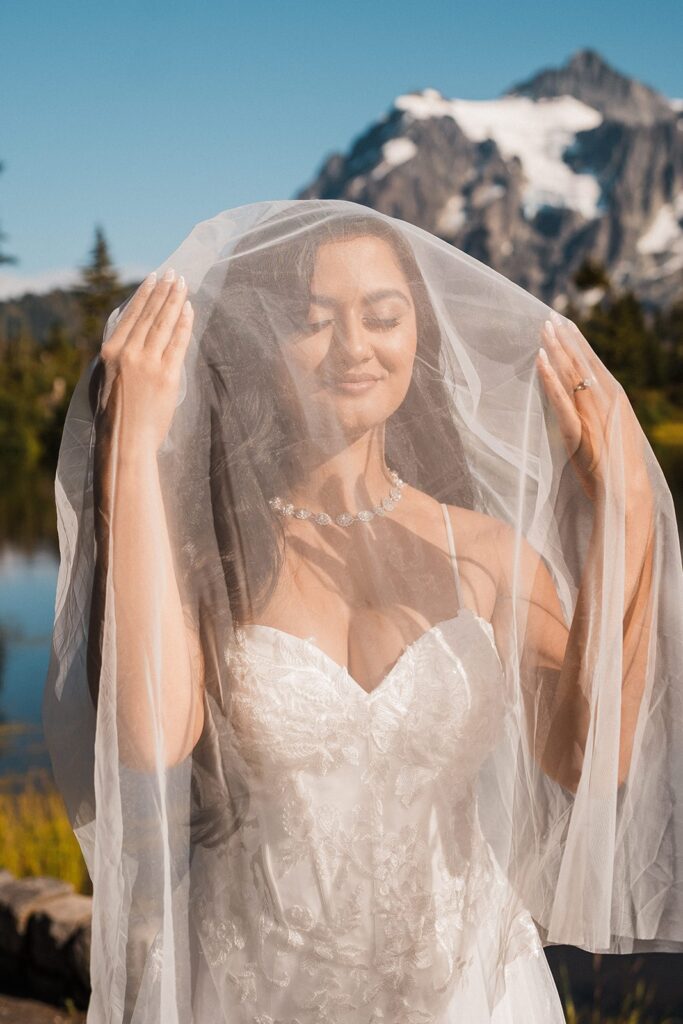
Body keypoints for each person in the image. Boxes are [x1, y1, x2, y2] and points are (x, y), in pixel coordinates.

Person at [42, 199, 683, 1023]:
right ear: (262, 342)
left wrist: (619, 513)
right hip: (247, 992)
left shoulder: (484, 554)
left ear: (418, 333)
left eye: (384, 316)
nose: (354, 348)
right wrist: (130, 446)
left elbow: (588, 755)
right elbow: (147, 735)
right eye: (314, 321)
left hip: (468, 992)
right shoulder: (214, 555)